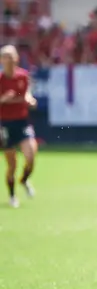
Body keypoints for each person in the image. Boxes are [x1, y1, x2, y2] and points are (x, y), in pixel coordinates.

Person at [0, 45, 38, 209]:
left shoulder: (23, 76)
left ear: (16, 58)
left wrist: (30, 99)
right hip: (5, 124)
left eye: (10, 56)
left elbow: (27, 92)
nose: (7, 59)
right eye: (4, 56)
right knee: (12, 164)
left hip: (22, 122)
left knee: (30, 156)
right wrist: (3, 100)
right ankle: (12, 195)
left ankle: (24, 180)